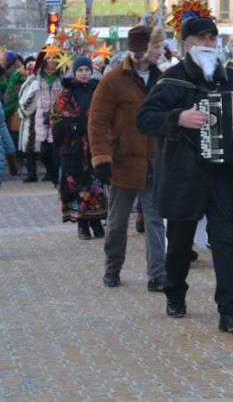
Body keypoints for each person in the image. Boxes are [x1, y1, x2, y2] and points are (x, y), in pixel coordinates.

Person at [136, 16, 233, 334]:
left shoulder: (230, 79)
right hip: (183, 176)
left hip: (221, 176)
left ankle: (230, 313)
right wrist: (178, 118)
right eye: (201, 39)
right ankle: (175, 293)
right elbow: (145, 118)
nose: (208, 44)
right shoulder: (172, 79)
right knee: (180, 243)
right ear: (186, 45)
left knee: (226, 244)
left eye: (212, 39)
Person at [88, 25, 166, 291]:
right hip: (123, 163)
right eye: (156, 46)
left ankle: (157, 274)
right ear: (142, 50)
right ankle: (112, 267)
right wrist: (101, 158)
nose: (161, 51)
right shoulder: (113, 81)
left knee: (155, 220)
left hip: (154, 161)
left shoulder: (162, 80)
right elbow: (97, 120)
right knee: (117, 222)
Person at [52, 56, 107, 239]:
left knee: (96, 185)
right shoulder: (66, 95)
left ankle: (96, 220)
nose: (84, 73)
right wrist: (75, 127)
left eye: (87, 70)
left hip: (96, 146)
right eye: (80, 70)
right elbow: (56, 120)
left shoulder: (99, 91)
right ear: (74, 73)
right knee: (77, 186)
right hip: (73, 149)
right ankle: (82, 224)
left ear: (92, 72)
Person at [34, 53, 63, 185]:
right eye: (49, 57)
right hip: (42, 114)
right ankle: (50, 171)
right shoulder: (38, 75)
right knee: (44, 149)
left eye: (54, 57)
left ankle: (56, 175)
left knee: (54, 147)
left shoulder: (62, 75)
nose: (51, 60)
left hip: (57, 114)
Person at [16, 53, 43, 182]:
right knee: (29, 148)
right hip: (27, 119)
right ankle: (31, 173)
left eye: (32, 68)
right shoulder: (30, 81)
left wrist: (21, 112)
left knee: (31, 147)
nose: (29, 70)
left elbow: (32, 100)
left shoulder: (36, 82)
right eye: (27, 68)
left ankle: (32, 174)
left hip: (32, 118)